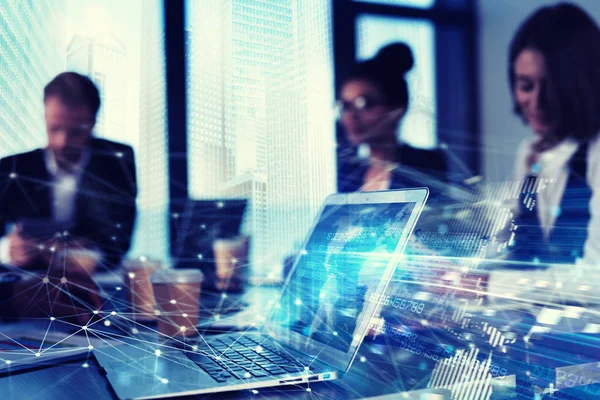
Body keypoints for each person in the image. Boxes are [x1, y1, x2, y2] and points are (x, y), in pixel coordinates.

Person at [0, 72, 137, 272]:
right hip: (24, 285)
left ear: (93, 123)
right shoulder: (10, 168)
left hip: (92, 284)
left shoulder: (118, 162)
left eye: (75, 132)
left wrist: (85, 254)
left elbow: (119, 243)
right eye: (54, 129)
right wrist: (7, 249)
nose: (62, 142)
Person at [505, 3, 600, 265]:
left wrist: (490, 285)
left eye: (552, 88)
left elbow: (595, 278)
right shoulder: (529, 152)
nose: (536, 103)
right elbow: (510, 242)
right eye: (525, 86)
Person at [336, 42, 448, 194]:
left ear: (397, 109)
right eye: (345, 106)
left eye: (363, 104)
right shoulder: (349, 174)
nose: (351, 116)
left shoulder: (424, 166)